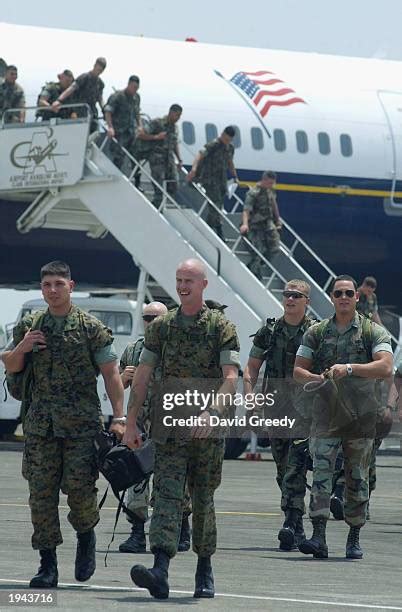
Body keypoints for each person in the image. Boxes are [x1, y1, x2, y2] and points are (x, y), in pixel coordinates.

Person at [1, 261, 125, 588]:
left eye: (59, 284)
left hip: (81, 428)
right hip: (40, 427)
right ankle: (47, 564)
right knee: (41, 496)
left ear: (72, 285)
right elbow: (11, 364)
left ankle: (86, 537)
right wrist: (24, 346)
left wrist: (121, 418)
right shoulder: (29, 325)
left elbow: (112, 375)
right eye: (47, 285)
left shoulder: (90, 328)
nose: (53, 290)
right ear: (41, 289)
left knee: (81, 493)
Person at [123, 258, 240, 600]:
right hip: (170, 429)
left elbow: (230, 378)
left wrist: (211, 412)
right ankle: (160, 569)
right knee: (167, 496)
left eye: (189, 279)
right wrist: (130, 421)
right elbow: (142, 375)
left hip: (207, 431)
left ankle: (204, 568)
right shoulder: (161, 328)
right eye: (178, 280)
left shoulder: (220, 327)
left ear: (203, 285)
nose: (183, 285)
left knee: (203, 499)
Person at [294, 274, 393, 559]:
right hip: (326, 415)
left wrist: (349, 369)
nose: (344, 297)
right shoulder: (317, 331)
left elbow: (385, 367)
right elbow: (298, 369)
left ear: (357, 297)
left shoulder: (371, 331)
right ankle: (318, 536)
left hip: (360, 417)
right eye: (339, 293)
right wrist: (317, 377)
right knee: (322, 472)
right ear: (332, 297)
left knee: (357, 476)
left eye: (349, 293)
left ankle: (354, 536)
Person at [243, 280, 315, 551]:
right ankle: (296, 528)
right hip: (275, 409)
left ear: (306, 301)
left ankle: (290, 520)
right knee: (282, 469)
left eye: (296, 296)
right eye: (287, 295)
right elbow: (251, 368)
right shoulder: (270, 332)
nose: (290, 299)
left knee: (296, 466)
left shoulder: (315, 333)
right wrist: (250, 396)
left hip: (305, 411)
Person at [118, 301, 192, 554]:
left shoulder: (179, 349)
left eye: (156, 318)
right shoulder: (133, 350)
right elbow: (117, 386)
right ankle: (137, 532)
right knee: (135, 480)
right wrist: (124, 379)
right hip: (140, 425)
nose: (150, 322)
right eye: (147, 318)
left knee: (174, 481)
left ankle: (182, 527)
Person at [187, 126, 238, 240]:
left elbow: (230, 161)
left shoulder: (230, 148)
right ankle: (218, 230)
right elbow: (200, 155)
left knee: (217, 204)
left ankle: (209, 227)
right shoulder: (214, 144)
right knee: (216, 203)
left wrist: (235, 175)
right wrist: (194, 170)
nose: (226, 141)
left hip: (221, 179)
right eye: (226, 139)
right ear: (222, 134)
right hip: (209, 179)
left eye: (229, 140)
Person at [137, 104, 183, 208]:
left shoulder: (174, 127)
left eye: (179, 116)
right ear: (170, 113)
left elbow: (175, 143)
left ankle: (161, 202)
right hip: (157, 156)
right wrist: (156, 137)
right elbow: (141, 134)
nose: (178, 118)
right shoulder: (157, 123)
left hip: (169, 157)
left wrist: (179, 159)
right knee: (159, 181)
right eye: (177, 115)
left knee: (174, 184)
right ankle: (157, 203)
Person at [240, 170, 282, 280]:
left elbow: (274, 205)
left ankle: (254, 265)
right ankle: (255, 270)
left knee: (275, 249)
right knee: (257, 250)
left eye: (273, 183)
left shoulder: (270, 190)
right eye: (269, 183)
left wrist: (278, 220)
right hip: (255, 225)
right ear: (264, 180)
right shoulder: (253, 193)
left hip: (268, 223)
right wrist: (245, 224)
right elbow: (246, 210)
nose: (271, 185)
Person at [52, 57, 107, 132]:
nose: (99, 72)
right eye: (98, 69)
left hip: (92, 113)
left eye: (101, 70)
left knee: (95, 133)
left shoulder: (100, 83)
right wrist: (59, 100)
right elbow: (71, 88)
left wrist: (105, 110)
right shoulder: (84, 77)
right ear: (94, 66)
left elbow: (100, 98)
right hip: (80, 112)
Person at [104, 75, 142, 171]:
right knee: (118, 157)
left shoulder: (136, 98)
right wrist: (110, 127)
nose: (135, 90)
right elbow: (108, 112)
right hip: (119, 133)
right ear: (128, 85)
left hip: (131, 132)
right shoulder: (117, 97)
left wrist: (140, 126)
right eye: (133, 87)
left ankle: (137, 179)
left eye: (137, 88)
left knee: (136, 154)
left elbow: (137, 113)